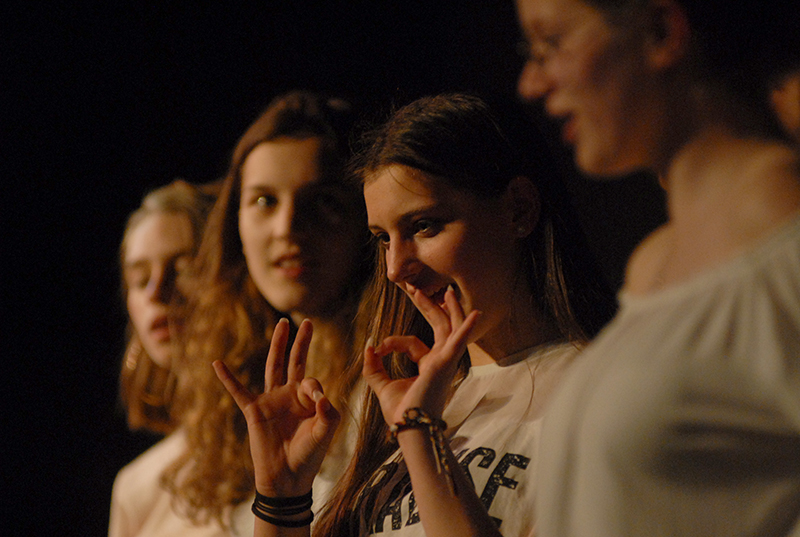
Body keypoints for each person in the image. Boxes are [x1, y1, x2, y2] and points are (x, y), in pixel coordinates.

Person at [213, 93, 616, 537]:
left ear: (518, 209)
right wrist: (283, 498)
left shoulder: (599, 392)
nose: (395, 268)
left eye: (423, 226)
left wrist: (421, 435)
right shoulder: (415, 401)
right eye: (383, 238)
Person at [515, 0, 800, 535]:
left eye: (551, 43)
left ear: (661, 32)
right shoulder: (651, 265)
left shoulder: (782, 232)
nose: (531, 83)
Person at [162, 91, 371, 536]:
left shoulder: (400, 386)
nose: (287, 228)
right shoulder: (233, 397)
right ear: (233, 222)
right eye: (263, 201)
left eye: (324, 201)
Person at [109, 178, 218, 536]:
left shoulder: (301, 438)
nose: (157, 292)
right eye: (140, 279)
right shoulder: (136, 489)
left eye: (184, 269)